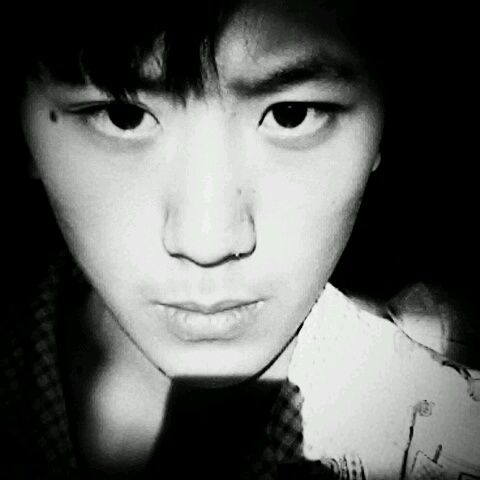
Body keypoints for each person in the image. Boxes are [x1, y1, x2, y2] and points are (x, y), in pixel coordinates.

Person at [2, 1, 479, 478]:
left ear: (382, 130)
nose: (206, 243)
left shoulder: (454, 442)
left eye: (291, 115)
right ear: (21, 130)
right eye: (122, 116)